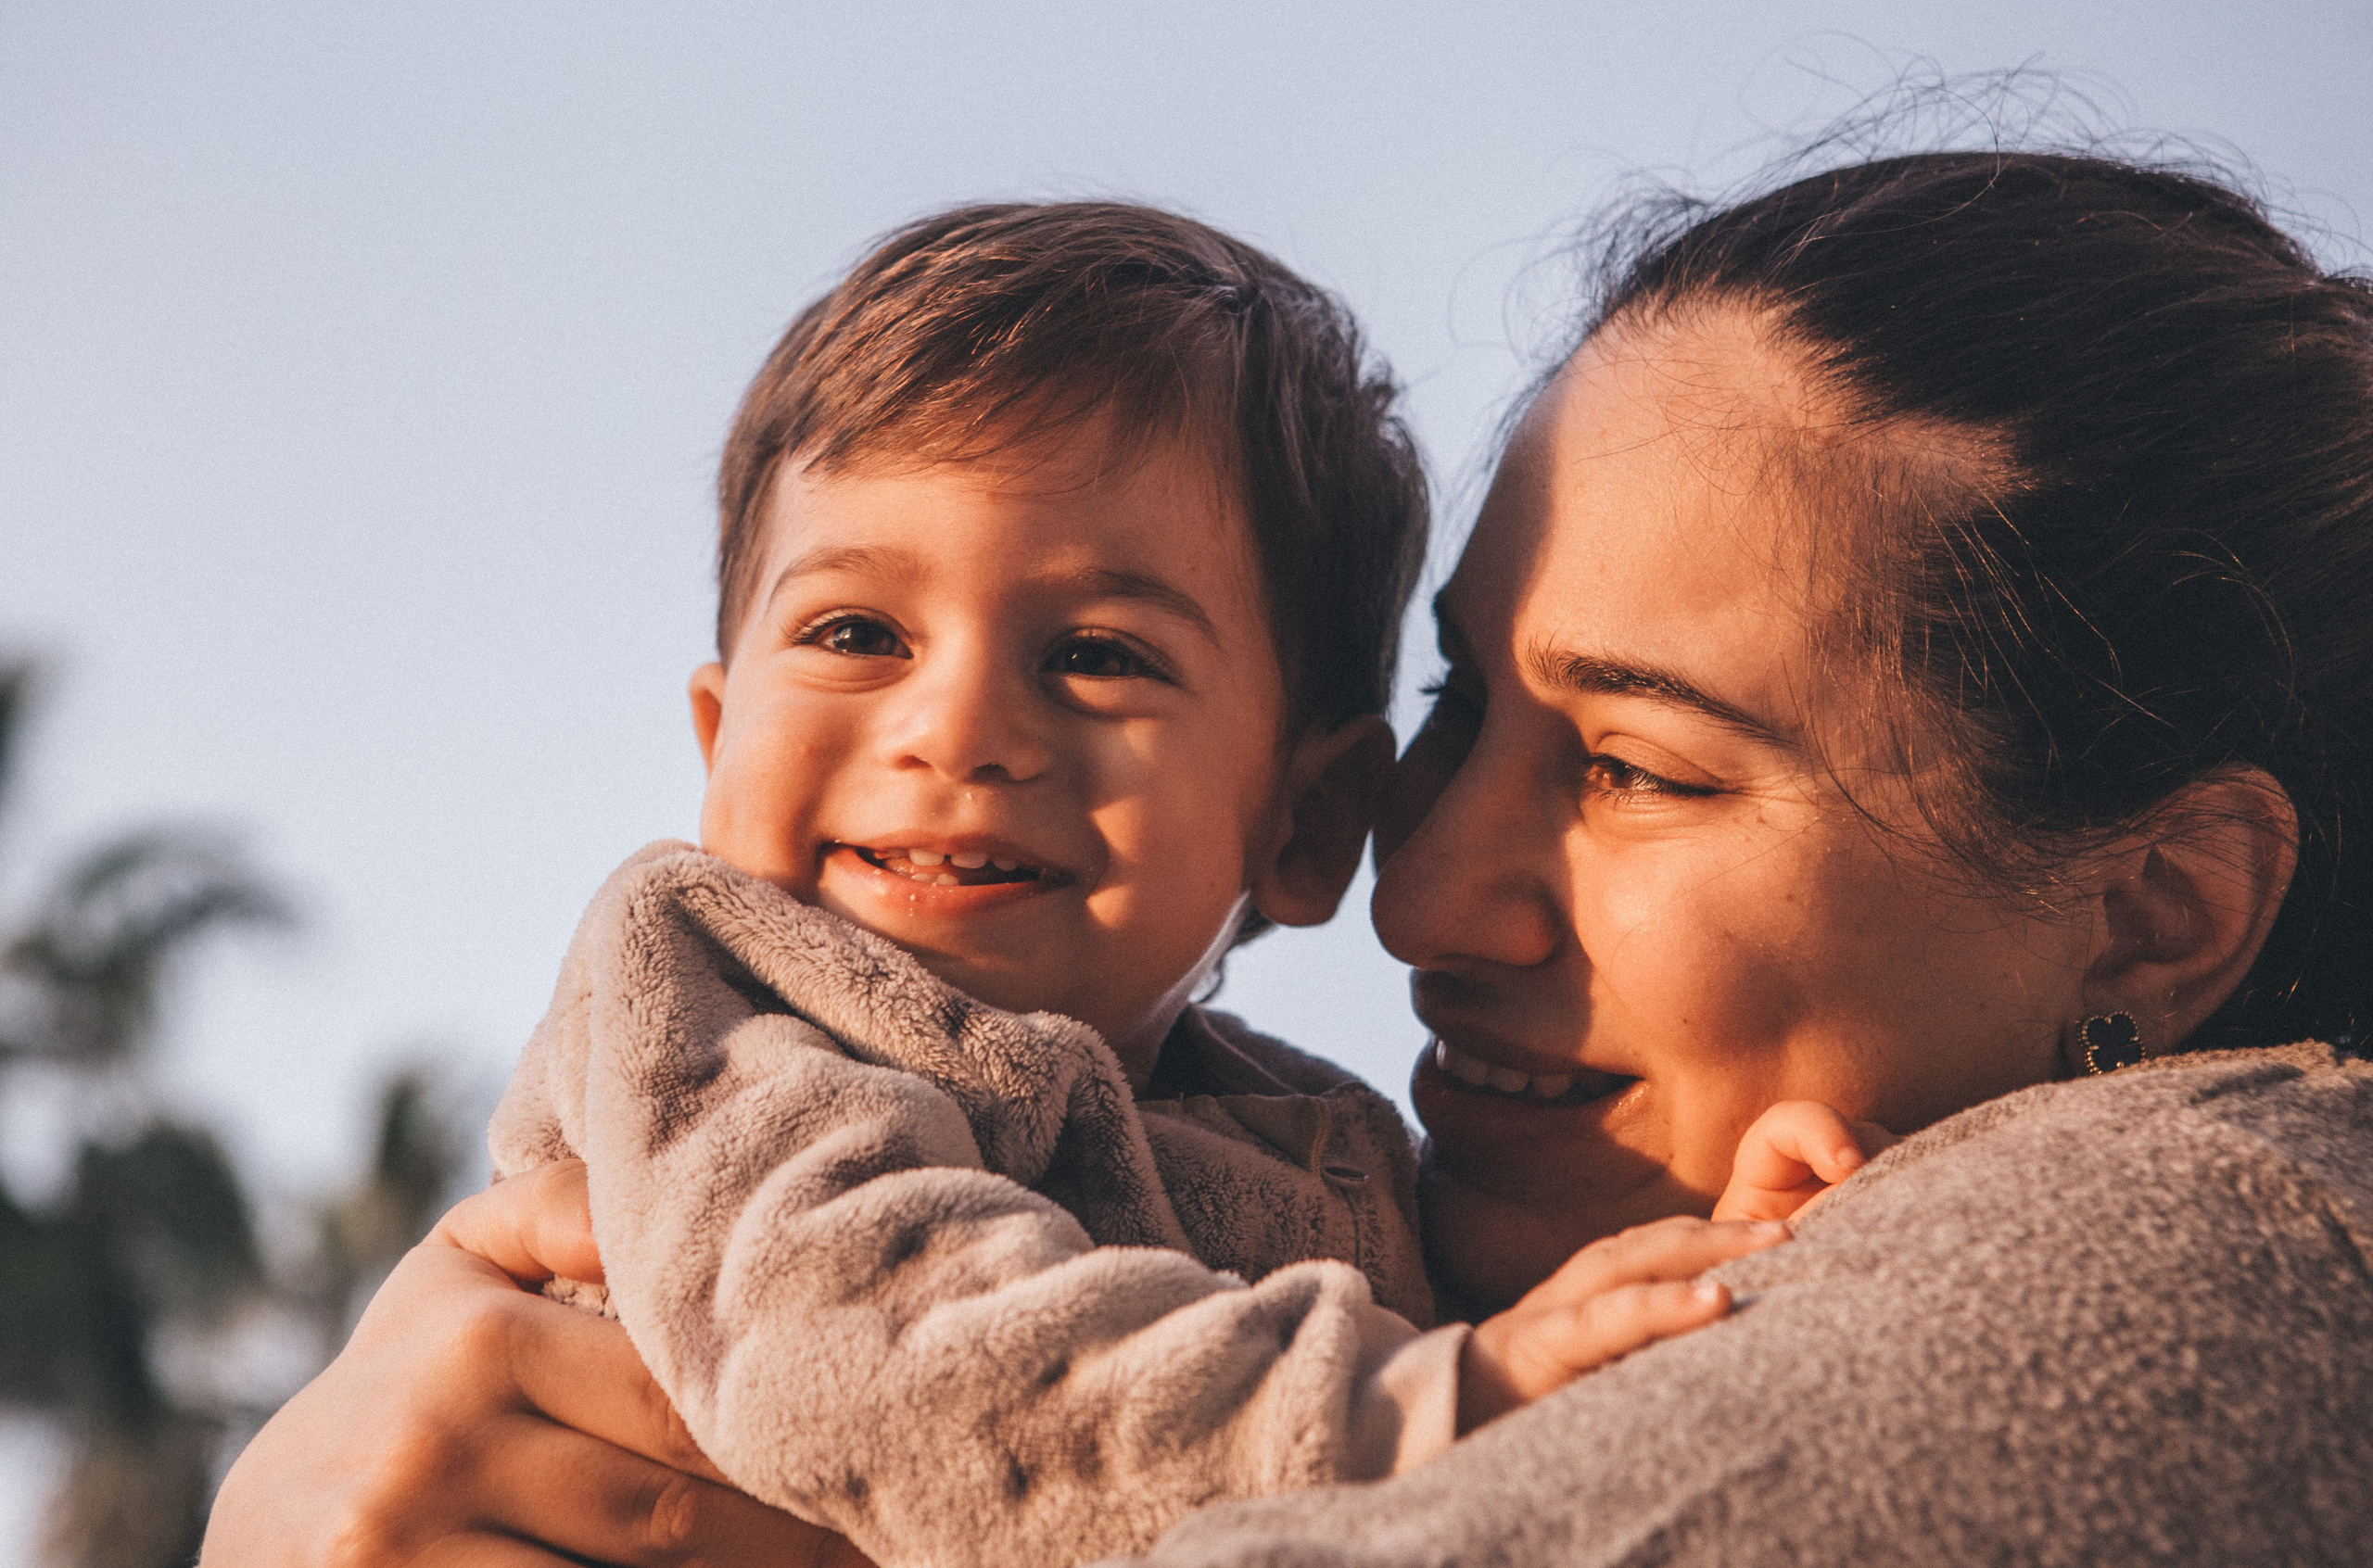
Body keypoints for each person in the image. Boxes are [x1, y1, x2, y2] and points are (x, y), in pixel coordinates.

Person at [204, 145, 2373, 1566]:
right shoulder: (769, 1015)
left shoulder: (2236, 1263)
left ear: (2157, 905)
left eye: (1628, 762)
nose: (1425, 891)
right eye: (1464, 713)